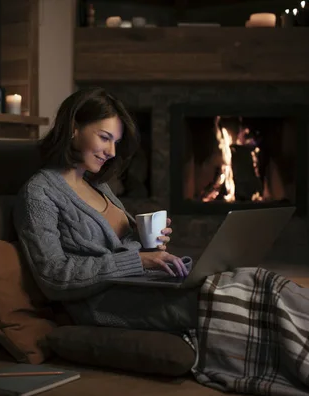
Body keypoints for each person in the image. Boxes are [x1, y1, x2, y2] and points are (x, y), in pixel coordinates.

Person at [13, 87, 200, 333]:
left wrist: (150, 246)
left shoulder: (97, 184)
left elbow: (122, 248)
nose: (112, 152)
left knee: (240, 281)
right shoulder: (39, 193)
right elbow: (53, 276)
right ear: (73, 128)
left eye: (116, 142)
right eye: (104, 137)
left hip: (141, 286)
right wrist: (138, 260)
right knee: (224, 300)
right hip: (105, 304)